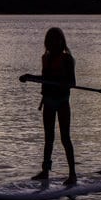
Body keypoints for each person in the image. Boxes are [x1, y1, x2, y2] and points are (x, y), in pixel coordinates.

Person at [23, 27, 77, 185]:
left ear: (62, 41)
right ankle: (45, 171)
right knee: (49, 138)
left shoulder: (67, 59)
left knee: (65, 138)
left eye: (57, 40)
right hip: (48, 102)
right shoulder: (45, 58)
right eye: (51, 41)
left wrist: (62, 83)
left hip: (62, 102)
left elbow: (72, 83)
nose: (54, 43)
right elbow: (44, 78)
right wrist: (29, 77)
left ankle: (72, 174)